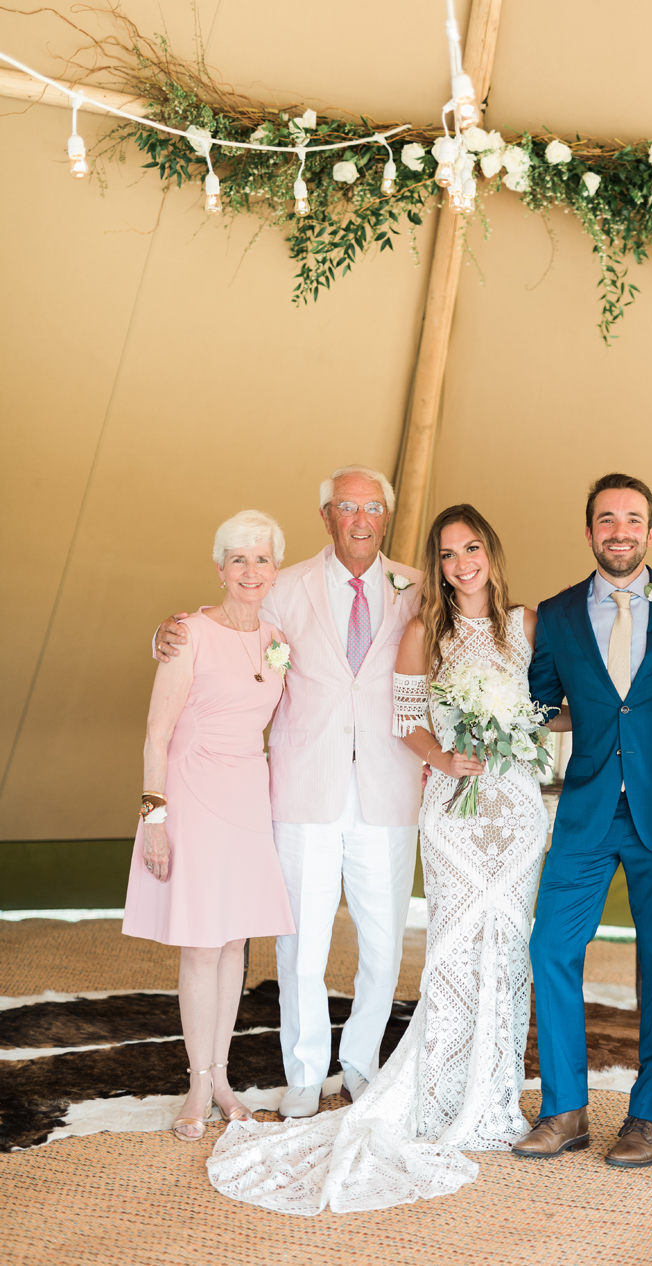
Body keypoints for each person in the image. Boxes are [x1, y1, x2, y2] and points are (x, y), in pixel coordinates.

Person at [206, 504, 570, 1214]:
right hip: (449, 807)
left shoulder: (526, 624)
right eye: (448, 554)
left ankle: (493, 1090)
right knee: (450, 947)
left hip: (515, 809)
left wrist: (526, 727)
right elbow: (407, 716)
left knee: (507, 946)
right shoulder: (423, 626)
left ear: (491, 552)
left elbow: (558, 699)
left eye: (471, 549)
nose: (461, 564)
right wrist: (447, 757)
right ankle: (429, 1088)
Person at [154, 466, 423, 1118]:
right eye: (346, 506)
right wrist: (164, 638)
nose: (360, 519)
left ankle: (361, 1065)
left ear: (386, 518)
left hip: (389, 788)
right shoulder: (285, 583)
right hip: (302, 789)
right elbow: (228, 630)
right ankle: (303, 1072)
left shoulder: (417, 586)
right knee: (300, 945)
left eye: (372, 507)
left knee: (383, 944)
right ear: (326, 516)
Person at [514, 473, 652, 1166]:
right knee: (549, 948)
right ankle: (564, 1109)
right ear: (589, 530)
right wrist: (482, 720)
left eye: (632, 519)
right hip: (588, 807)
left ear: (651, 531)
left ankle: (648, 1116)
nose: (619, 531)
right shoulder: (558, 613)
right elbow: (540, 705)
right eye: (606, 519)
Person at [123, 510, 296, 1140]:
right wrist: (155, 818)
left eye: (262, 559)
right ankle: (197, 1085)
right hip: (192, 796)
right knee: (200, 945)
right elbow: (156, 733)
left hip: (248, 801)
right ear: (220, 568)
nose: (251, 571)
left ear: (276, 569)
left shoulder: (278, 639)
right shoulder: (188, 634)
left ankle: (223, 1080)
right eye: (238, 559)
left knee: (232, 945)